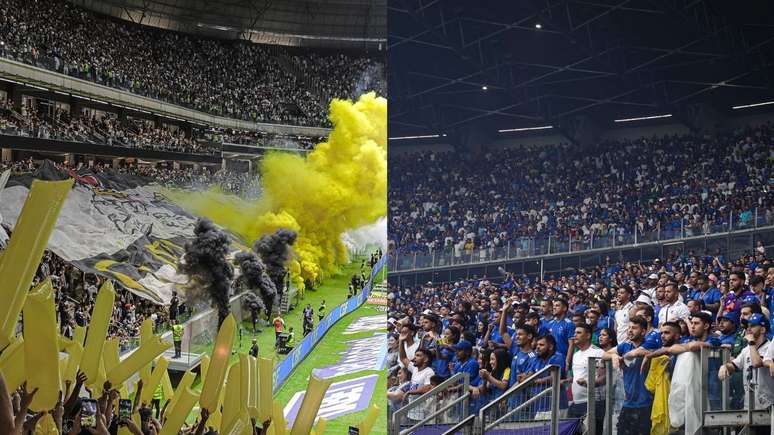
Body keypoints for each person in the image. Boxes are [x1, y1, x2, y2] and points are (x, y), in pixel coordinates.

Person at [603, 315, 653, 435]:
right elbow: (605, 355)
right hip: (627, 402)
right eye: (629, 328)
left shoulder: (650, 343)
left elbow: (647, 351)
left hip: (646, 402)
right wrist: (614, 356)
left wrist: (632, 354)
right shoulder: (624, 346)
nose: (630, 330)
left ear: (643, 331)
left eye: (634, 328)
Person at [720, 313, 774, 417]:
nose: (748, 329)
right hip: (748, 406)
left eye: (753, 326)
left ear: (762, 330)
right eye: (747, 326)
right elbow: (734, 365)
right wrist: (724, 366)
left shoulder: (769, 347)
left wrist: (752, 343)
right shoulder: (746, 350)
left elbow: (756, 363)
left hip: (768, 405)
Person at [569, 323, 605, 433]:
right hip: (576, 403)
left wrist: (587, 383)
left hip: (592, 403)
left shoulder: (597, 352)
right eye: (575, 333)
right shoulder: (576, 354)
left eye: (579, 333)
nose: (575, 335)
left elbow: (603, 377)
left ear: (588, 335)